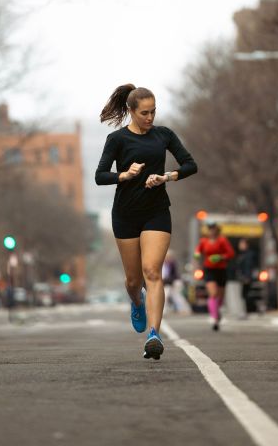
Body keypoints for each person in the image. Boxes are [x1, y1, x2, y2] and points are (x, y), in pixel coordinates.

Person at [95, 84, 198, 360]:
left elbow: (190, 165)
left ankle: (154, 334)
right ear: (131, 111)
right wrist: (125, 175)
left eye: (153, 111)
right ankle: (137, 302)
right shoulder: (117, 139)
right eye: (144, 113)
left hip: (156, 212)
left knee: (152, 271)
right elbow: (100, 175)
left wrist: (166, 177)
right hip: (126, 214)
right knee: (133, 279)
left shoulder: (164, 136)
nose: (150, 117)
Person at [195, 222, 235, 330]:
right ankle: (215, 318)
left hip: (221, 270)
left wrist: (221, 257)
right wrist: (197, 254)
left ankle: (217, 311)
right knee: (213, 293)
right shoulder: (204, 241)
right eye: (209, 229)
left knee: (220, 296)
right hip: (209, 270)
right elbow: (198, 250)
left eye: (213, 229)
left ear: (216, 230)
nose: (211, 231)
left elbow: (231, 253)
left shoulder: (222, 240)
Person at [233, 239, 258, 318]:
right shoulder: (242, 254)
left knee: (245, 295)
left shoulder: (248, 254)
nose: (240, 246)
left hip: (246, 278)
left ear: (246, 244)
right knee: (244, 295)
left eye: (242, 244)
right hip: (243, 277)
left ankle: (247, 311)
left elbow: (248, 266)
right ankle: (245, 311)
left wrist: (247, 277)